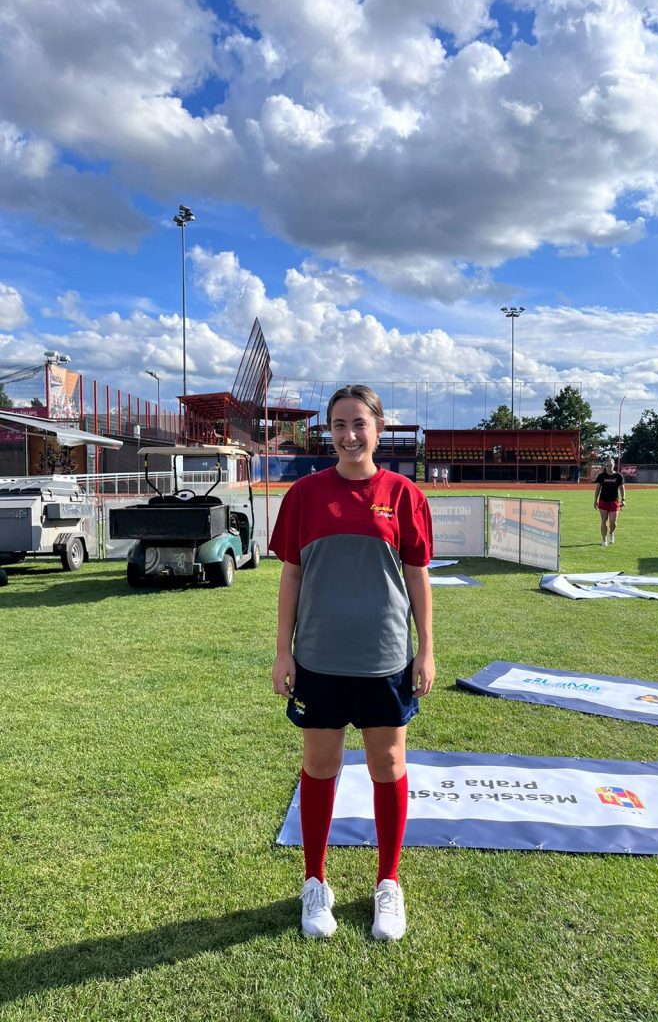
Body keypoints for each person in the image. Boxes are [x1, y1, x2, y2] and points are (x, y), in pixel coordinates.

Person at [270, 384, 435, 942]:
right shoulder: (305, 495)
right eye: (338, 425)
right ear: (329, 431)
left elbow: (417, 576)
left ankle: (388, 883)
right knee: (320, 765)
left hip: (384, 658)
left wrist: (427, 648)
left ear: (379, 429)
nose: (348, 435)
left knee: (388, 765)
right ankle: (315, 881)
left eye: (359, 423)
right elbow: (292, 574)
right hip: (318, 658)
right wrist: (283, 649)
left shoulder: (404, 495)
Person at [593, 456, 626, 546]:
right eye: (607, 465)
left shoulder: (618, 476)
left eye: (611, 465)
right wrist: (595, 500)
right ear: (605, 466)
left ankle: (611, 533)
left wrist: (623, 499)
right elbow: (597, 489)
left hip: (614, 501)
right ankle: (604, 540)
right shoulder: (601, 476)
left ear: (614, 465)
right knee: (604, 521)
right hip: (603, 501)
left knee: (613, 522)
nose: (609, 467)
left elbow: (622, 488)